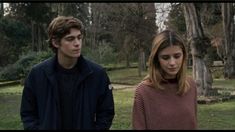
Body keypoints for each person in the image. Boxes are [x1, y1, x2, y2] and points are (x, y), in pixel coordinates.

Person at [20, 16, 115, 130]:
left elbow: (106, 113)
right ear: (55, 42)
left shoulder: (97, 74)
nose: (77, 43)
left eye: (79, 38)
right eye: (70, 39)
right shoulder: (37, 75)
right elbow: (28, 113)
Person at [132, 30, 197, 130]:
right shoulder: (143, 91)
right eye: (165, 57)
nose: (172, 62)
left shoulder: (190, 85)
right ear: (156, 59)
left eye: (177, 56)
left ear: (184, 56)